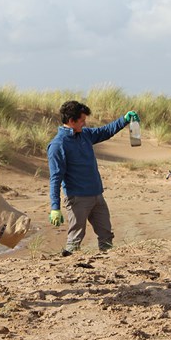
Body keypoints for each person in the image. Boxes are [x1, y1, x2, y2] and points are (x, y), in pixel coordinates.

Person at [47, 100, 139, 255]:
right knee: (75, 240)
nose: (84, 123)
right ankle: (67, 268)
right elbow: (55, 178)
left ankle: (107, 264)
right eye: (82, 120)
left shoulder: (85, 135)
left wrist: (124, 120)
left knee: (106, 236)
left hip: (97, 196)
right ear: (71, 121)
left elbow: (105, 131)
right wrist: (55, 207)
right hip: (77, 199)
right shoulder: (58, 145)